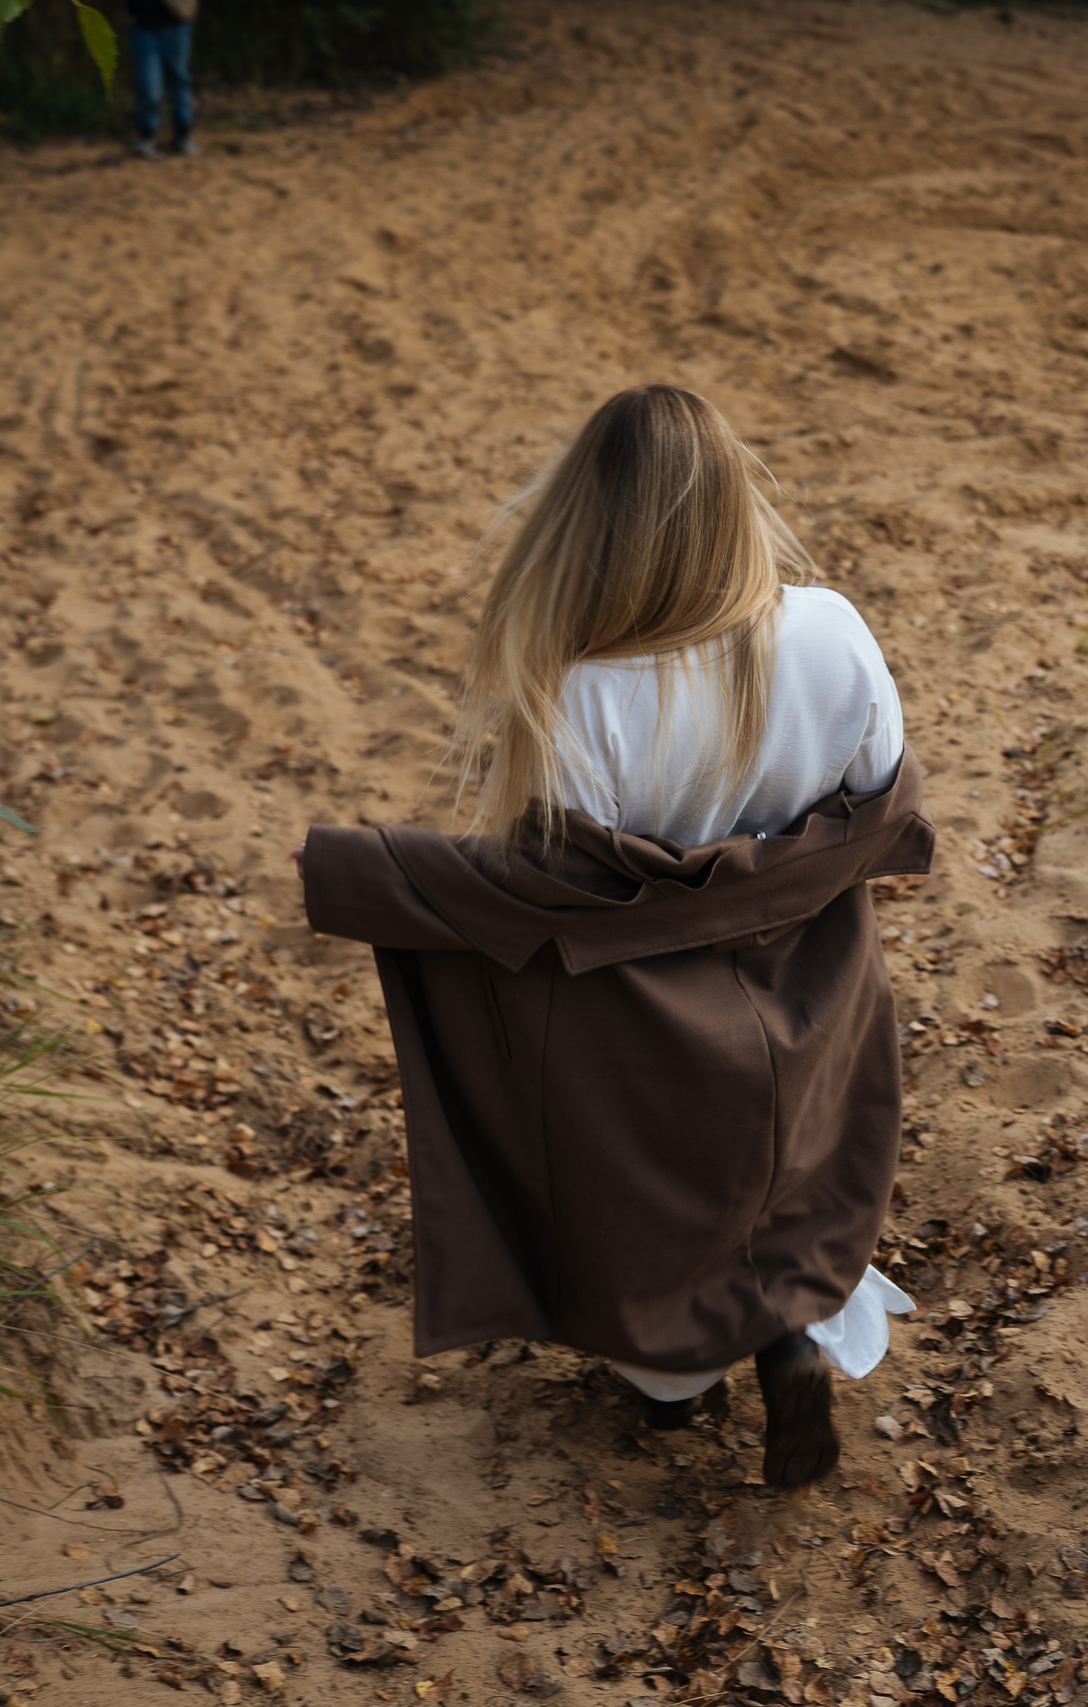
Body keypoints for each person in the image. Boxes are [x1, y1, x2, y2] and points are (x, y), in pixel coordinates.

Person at [292, 386, 931, 1489]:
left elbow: (564, 882)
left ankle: (672, 1390)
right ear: (735, 505)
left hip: (637, 1006)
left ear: (588, 524)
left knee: (645, 1185)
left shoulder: (574, 690)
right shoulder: (829, 632)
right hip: (809, 972)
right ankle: (787, 1321)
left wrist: (390, 887)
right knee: (794, 1154)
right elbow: (878, 798)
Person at [128, 0, 197, 159]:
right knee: (147, 83)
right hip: (142, 23)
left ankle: (183, 135)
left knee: (179, 79)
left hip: (176, 22)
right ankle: (147, 137)